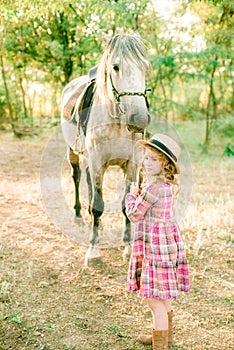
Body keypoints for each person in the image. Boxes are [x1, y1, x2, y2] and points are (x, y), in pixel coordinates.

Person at [125, 133, 190, 350]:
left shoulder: (152, 189)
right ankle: (165, 336)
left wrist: (131, 196)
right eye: (146, 157)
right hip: (167, 244)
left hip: (154, 247)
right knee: (164, 295)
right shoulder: (168, 185)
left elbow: (134, 215)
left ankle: (160, 345)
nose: (147, 162)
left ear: (166, 164)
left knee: (154, 300)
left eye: (154, 159)